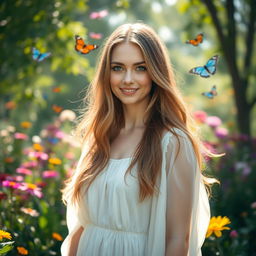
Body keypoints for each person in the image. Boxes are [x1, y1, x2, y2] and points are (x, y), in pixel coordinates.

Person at [60, 22, 215, 256]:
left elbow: (178, 240)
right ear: (106, 72)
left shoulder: (173, 143)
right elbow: (81, 228)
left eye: (140, 68)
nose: (128, 79)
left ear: (156, 73)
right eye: (118, 68)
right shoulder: (99, 136)